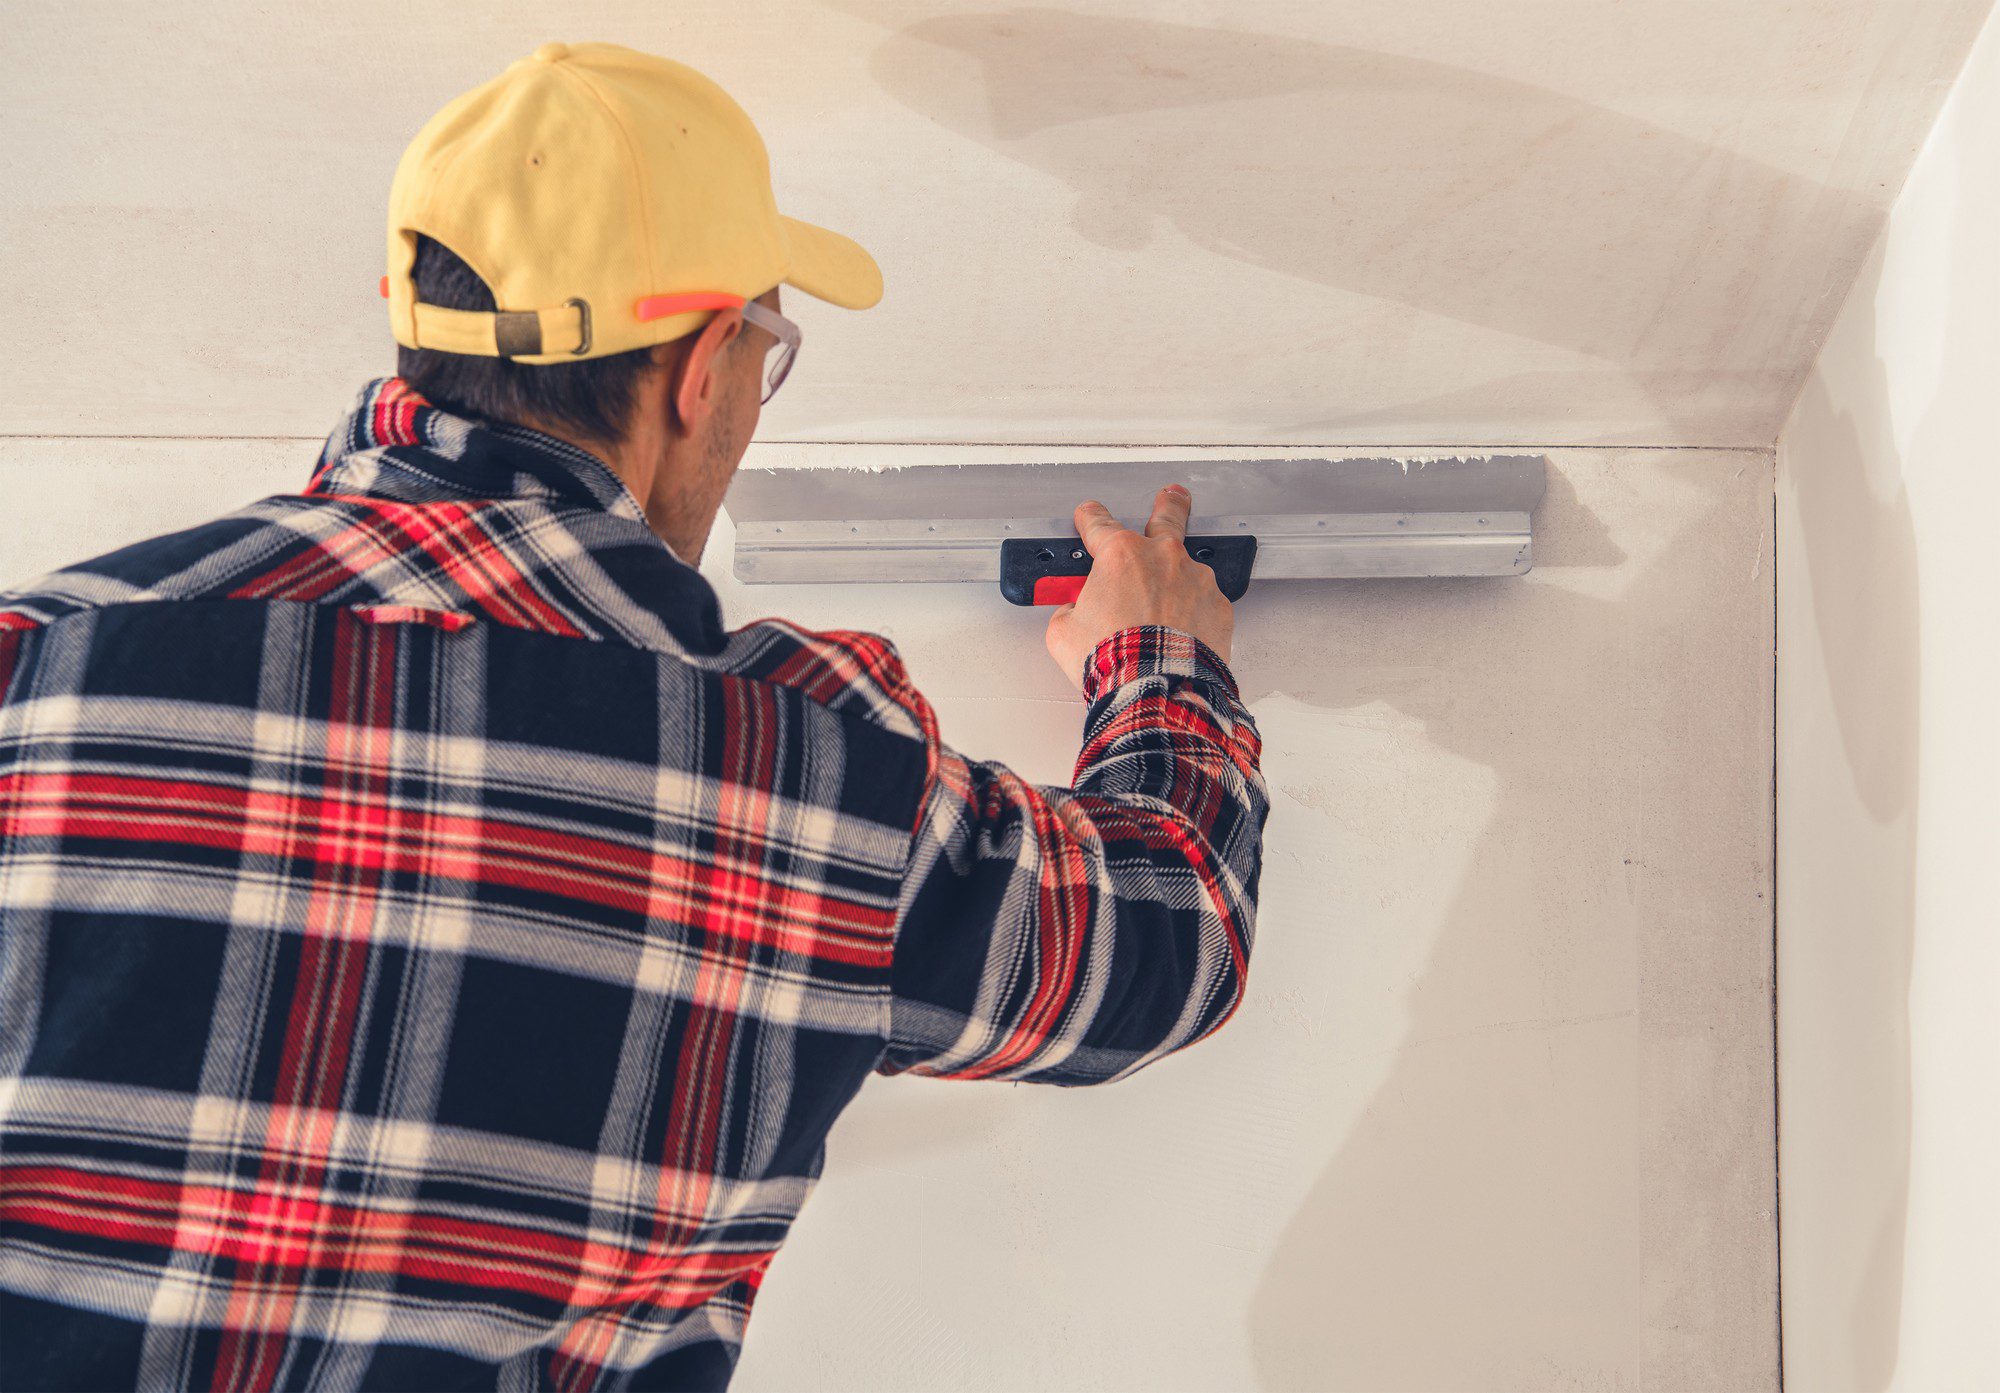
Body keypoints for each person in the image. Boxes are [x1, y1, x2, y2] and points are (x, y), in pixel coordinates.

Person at [0, 42, 1268, 1391]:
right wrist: (1157, 654)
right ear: (707, 368)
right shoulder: (809, 768)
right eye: (766, 349)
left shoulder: (41, 666)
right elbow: (1169, 935)